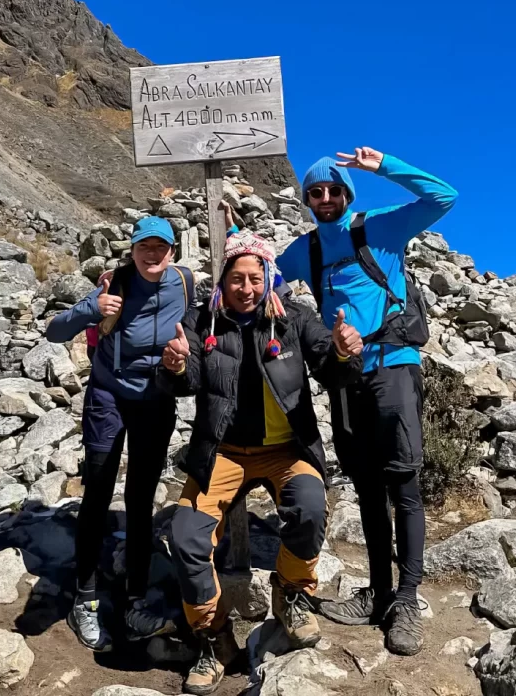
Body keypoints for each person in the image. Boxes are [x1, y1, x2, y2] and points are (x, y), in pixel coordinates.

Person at [158, 231, 364, 695]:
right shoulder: (202, 320)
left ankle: (291, 591)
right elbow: (187, 380)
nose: (246, 288)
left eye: (255, 278)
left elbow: (330, 370)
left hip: (287, 450)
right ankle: (214, 638)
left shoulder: (294, 318)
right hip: (222, 451)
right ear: (224, 280)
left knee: (309, 507)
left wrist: (343, 352)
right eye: (237, 278)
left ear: (269, 278)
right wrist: (174, 365)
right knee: (187, 537)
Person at [274, 146, 458, 656]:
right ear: (307, 199)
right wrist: (234, 235)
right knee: (367, 486)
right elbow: (265, 275)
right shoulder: (306, 249)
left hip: (393, 365)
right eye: (316, 191)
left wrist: (385, 166)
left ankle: (407, 600)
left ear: (348, 194)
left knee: (404, 484)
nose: (325, 197)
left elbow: (444, 197)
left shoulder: (381, 227)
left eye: (334, 190)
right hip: (345, 375)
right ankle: (378, 593)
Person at [45, 215, 196, 652]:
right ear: (132, 250)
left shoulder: (184, 283)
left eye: (160, 247)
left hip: (156, 398)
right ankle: (85, 598)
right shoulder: (115, 285)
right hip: (108, 396)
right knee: (98, 490)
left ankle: (135, 598)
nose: (152, 254)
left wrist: (274, 293)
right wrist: (93, 309)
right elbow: (55, 331)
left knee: (141, 497)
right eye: (144, 247)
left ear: (172, 252)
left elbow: (223, 303)